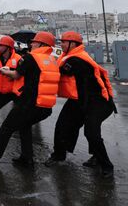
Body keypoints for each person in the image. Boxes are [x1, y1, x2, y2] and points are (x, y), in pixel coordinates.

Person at [0, 31, 60, 167]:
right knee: (24, 126)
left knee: (6, 127)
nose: (31, 43)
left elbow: (16, 75)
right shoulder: (52, 60)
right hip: (45, 107)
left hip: (28, 104)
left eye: (34, 42)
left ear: (41, 44)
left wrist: (1, 70)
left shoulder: (30, 58)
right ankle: (27, 158)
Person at [45, 31, 116, 178]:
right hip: (80, 99)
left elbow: (58, 71)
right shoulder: (71, 57)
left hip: (99, 102)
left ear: (73, 44)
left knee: (91, 132)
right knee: (62, 125)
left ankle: (106, 165)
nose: (61, 44)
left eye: (64, 42)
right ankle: (59, 155)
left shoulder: (77, 60)